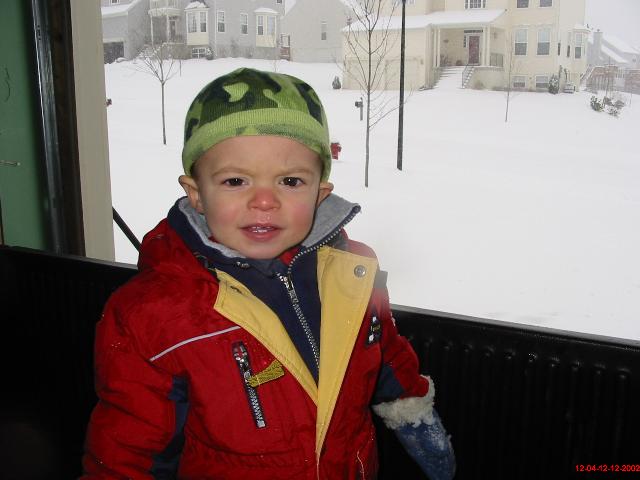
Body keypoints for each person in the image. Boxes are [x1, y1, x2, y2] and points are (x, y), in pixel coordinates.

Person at [82, 67, 455, 479]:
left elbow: (381, 349)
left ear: (320, 193)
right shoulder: (152, 316)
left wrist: (412, 410)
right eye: (235, 180)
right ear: (197, 194)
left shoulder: (353, 272)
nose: (264, 201)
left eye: (290, 181)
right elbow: (128, 450)